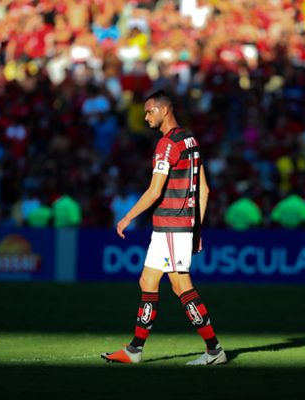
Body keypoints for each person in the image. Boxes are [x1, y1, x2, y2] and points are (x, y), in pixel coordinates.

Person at [101, 90, 226, 365]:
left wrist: (127, 217)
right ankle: (134, 350)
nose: (145, 117)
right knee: (147, 281)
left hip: (172, 225)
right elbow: (203, 189)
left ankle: (215, 350)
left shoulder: (167, 145)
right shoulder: (191, 140)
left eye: (149, 112)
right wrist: (196, 229)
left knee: (182, 288)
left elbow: (154, 191)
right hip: (177, 227)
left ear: (164, 110)